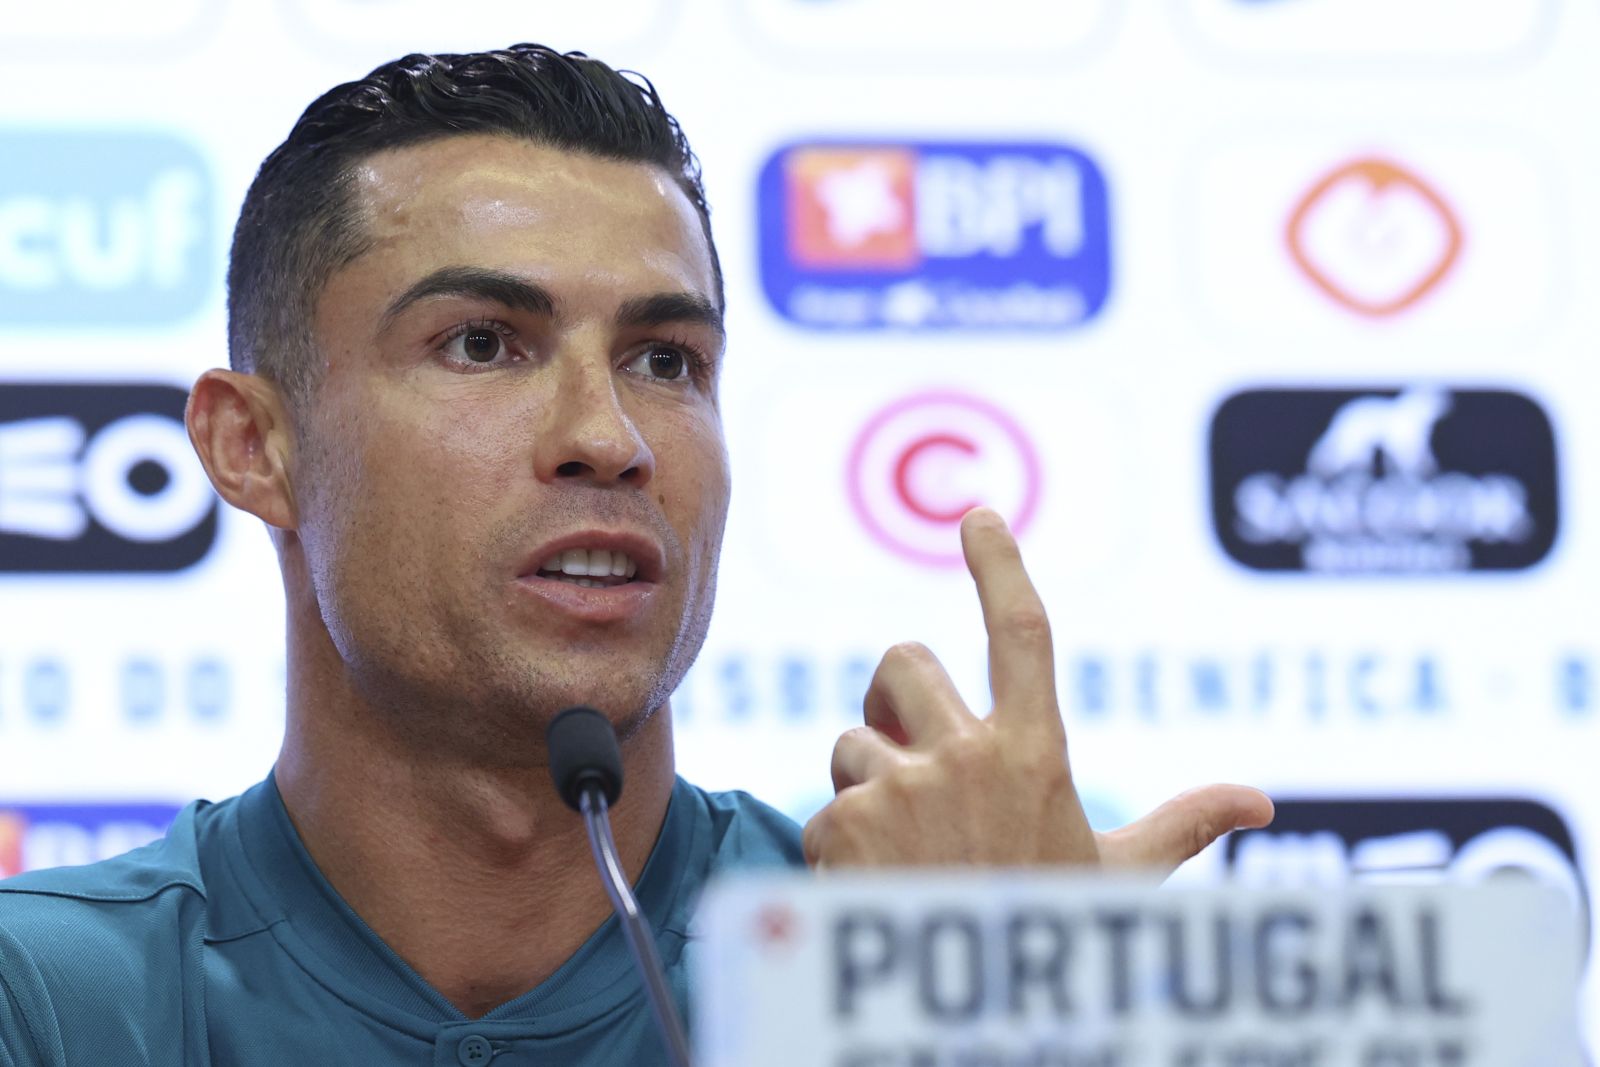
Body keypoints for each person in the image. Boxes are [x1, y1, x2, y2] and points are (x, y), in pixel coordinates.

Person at [0, 45, 1272, 1065]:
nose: (607, 439)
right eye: (483, 344)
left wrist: (1006, 1012)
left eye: (666, 360)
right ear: (251, 446)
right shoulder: (50, 997)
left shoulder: (920, 947)